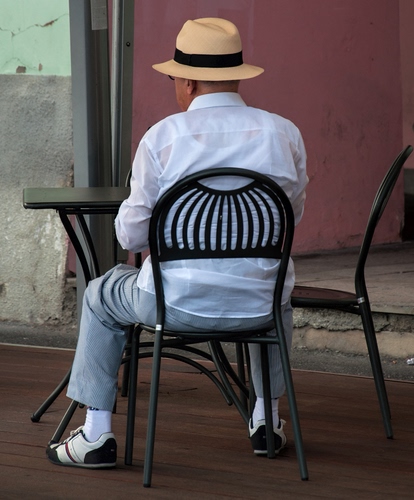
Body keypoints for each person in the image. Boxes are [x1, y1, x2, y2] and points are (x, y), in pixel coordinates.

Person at [47, 17, 307, 468]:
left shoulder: (162, 138)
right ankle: (266, 418)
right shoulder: (285, 133)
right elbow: (291, 217)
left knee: (100, 294)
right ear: (236, 76)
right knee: (276, 291)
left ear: (187, 82)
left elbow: (130, 235)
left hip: (173, 304)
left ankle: (95, 433)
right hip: (258, 306)